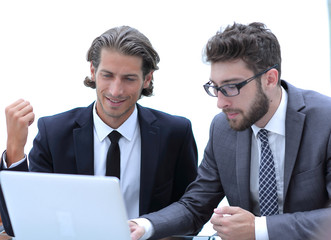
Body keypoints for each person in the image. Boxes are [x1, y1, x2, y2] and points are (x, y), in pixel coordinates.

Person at [130, 22, 331, 240]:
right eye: (215, 88)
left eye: (231, 87)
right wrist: (144, 225)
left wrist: (259, 229)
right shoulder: (223, 128)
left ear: (270, 79)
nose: (220, 102)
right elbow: (195, 206)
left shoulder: (325, 120)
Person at [0, 26, 198, 237]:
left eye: (129, 78)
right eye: (107, 75)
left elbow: (191, 216)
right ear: (93, 72)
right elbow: (19, 225)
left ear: (147, 79)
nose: (115, 90)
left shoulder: (176, 133)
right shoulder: (54, 133)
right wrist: (14, 147)